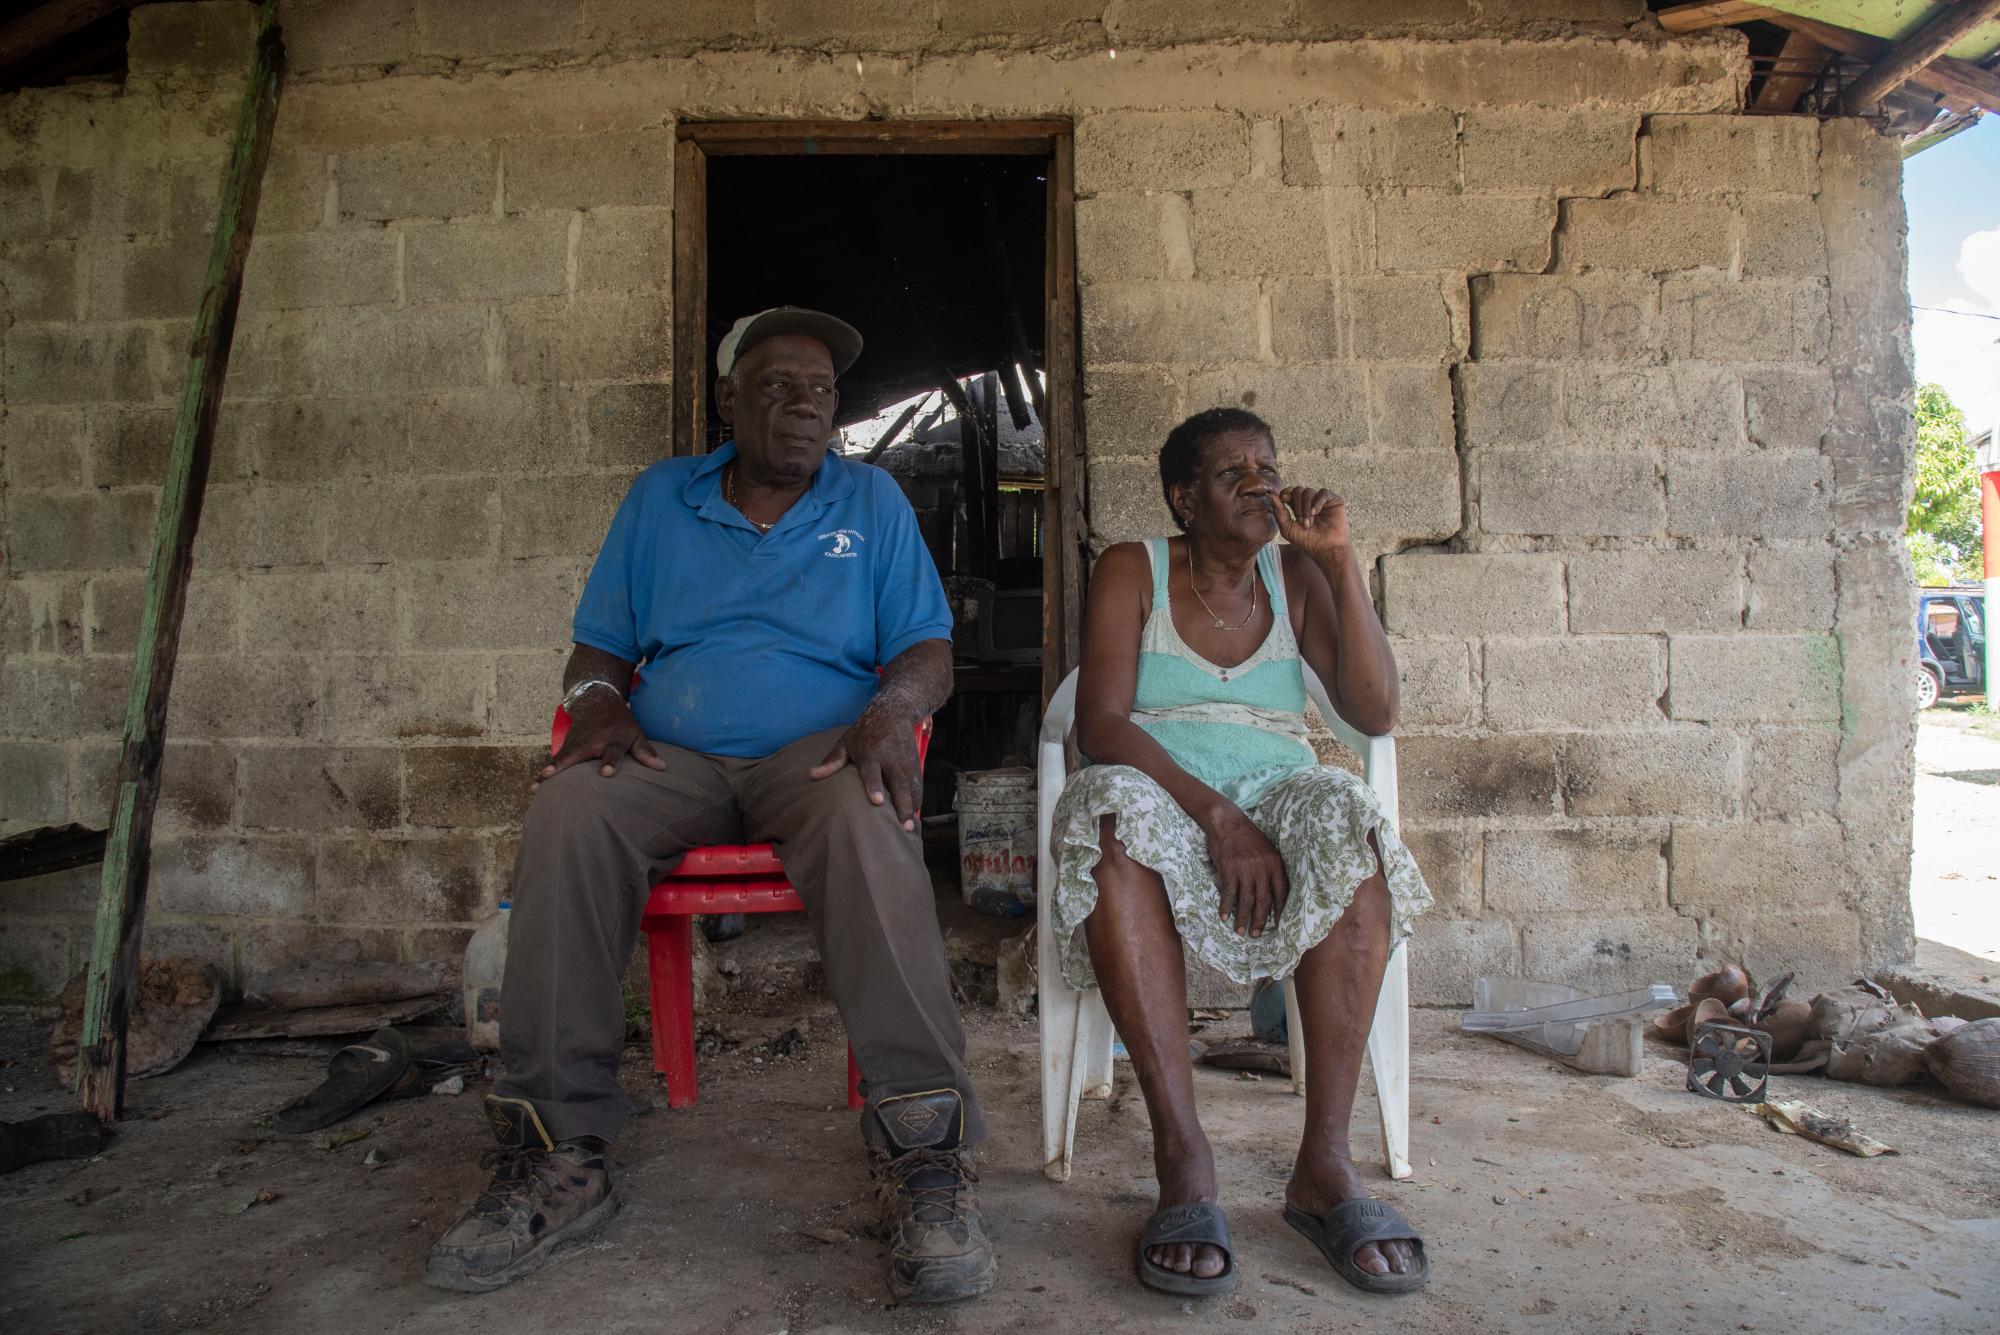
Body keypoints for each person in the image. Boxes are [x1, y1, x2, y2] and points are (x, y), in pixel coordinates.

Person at [424, 307, 996, 1304]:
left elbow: (926, 648)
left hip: (818, 752)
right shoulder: (661, 499)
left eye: (819, 388)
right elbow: (598, 647)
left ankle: (924, 1161)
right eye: (776, 384)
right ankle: (557, 1155)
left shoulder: (872, 500)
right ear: (727, 401)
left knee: (872, 820)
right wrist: (595, 707)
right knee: (568, 815)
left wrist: (892, 711)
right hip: (669, 749)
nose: (804, 403)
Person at [1049, 407, 1435, 1297]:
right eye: (1234, 474)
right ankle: (1184, 1159)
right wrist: (1219, 820)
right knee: (1105, 819)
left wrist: (1339, 560)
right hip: (1166, 786)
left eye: (1269, 465)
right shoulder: (1130, 568)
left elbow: (1374, 713)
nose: (1263, 484)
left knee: (1352, 822)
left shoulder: (1296, 572)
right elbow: (1102, 724)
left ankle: (1325, 1166)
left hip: (1274, 781)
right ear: (1185, 498)